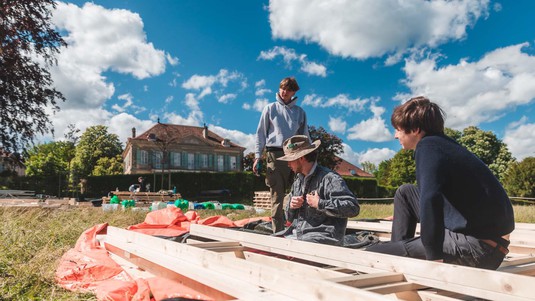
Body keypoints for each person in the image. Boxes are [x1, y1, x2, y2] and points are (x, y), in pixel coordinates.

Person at [366, 96, 514, 270]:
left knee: (373, 253)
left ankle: (402, 255)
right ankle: (403, 256)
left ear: (415, 129)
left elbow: (431, 200)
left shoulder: (427, 148)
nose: (395, 135)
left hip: (480, 249)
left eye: (398, 129)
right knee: (405, 192)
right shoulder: (441, 145)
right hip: (489, 243)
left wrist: (433, 257)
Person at [275, 135, 360, 245]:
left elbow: (352, 208)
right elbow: (289, 218)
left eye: (290, 160)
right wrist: (291, 207)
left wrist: (320, 203)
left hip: (321, 238)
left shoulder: (330, 178)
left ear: (301, 158)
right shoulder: (298, 181)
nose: (288, 164)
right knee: (265, 245)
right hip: (297, 235)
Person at [253, 77, 310, 233]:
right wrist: (258, 156)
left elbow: (304, 135)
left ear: (294, 92)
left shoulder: (300, 112)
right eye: (282, 88)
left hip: (295, 154)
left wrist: (310, 155)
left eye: (289, 89)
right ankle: (278, 232)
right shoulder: (270, 108)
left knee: (298, 192)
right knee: (277, 195)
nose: (285, 92)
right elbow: (260, 134)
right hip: (275, 154)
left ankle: (298, 228)